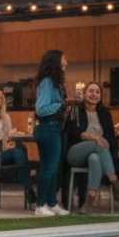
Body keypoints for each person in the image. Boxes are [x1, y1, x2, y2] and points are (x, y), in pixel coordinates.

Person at [63, 81, 119, 214]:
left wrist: (101, 141)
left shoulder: (104, 113)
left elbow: (110, 138)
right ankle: (116, 184)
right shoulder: (76, 110)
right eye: (90, 91)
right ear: (84, 93)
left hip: (97, 153)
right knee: (99, 143)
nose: (94, 94)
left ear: (101, 95)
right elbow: (74, 132)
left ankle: (88, 202)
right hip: (75, 152)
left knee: (95, 158)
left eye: (97, 92)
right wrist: (95, 137)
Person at [32, 49, 71, 217]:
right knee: (48, 168)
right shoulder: (47, 82)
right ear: (56, 62)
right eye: (64, 59)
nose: (66, 62)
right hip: (47, 128)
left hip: (54, 128)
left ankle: (52, 202)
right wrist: (61, 104)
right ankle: (40, 205)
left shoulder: (54, 82)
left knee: (54, 168)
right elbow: (41, 109)